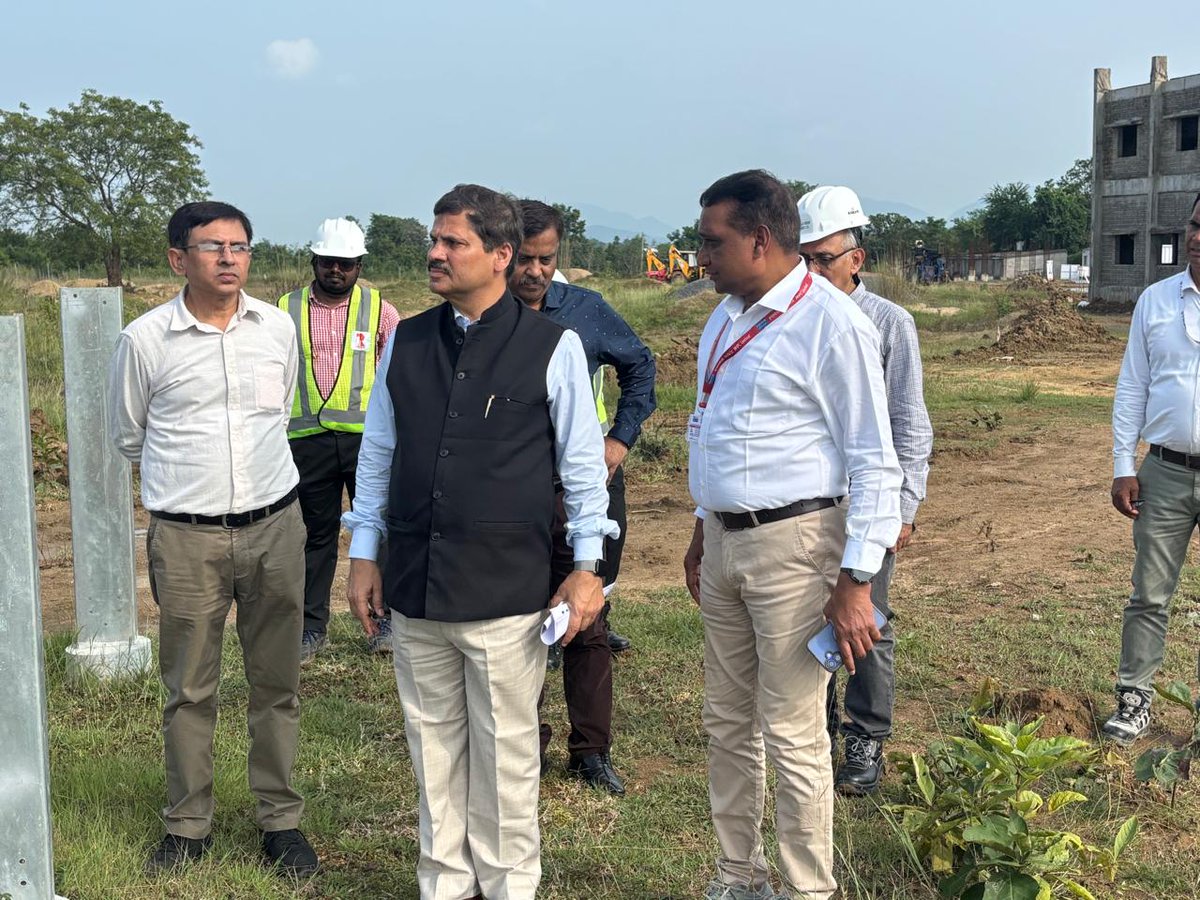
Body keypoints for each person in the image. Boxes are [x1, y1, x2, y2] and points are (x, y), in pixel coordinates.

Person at [342, 184, 616, 900]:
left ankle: (507, 887)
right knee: (434, 758)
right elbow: (379, 454)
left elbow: (585, 473)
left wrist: (588, 569)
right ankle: (444, 887)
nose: (434, 253)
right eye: (433, 240)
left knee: (506, 760)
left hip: (504, 594)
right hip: (417, 588)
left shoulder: (553, 347)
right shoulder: (408, 339)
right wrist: (364, 554)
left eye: (451, 242)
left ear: (499, 256)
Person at [682, 170, 901, 900]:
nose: (701, 256)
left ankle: (809, 888)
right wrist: (697, 526)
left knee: (794, 729)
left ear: (761, 239)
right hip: (723, 543)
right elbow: (705, 424)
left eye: (713, 243)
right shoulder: (724, 318)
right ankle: (739, 875)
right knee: (726, 720)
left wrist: (857, 580)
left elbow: (875, 459)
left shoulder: (832, 324)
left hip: (796, 548)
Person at [108, 201, 318, 878]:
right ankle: (188, 824)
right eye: (212, 247)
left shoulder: (277, 330)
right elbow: (128, 433)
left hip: (274, 528)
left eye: (240, 246)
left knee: (276, 683)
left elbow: (281, 411)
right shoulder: (145, 341)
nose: (230, 259)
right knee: (190, 688)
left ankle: (280, 821)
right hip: (188, 538)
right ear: (178, 259)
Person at [509, 199, 658, 796]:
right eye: (524, 259)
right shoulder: (484, 318)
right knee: (519, 621)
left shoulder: (586, 312)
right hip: (515, 496)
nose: (535, 271)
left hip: (585, 490)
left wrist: (620, 438)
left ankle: (591, 751)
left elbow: (641, 367)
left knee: (587, 618)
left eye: (546, 259)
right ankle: (527, 746)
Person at [797, 186, 933, 795]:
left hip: (866, 503)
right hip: (805, 503)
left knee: (865, 618)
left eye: (824, 258)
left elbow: (909, 420)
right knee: (807, 613)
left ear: (856, 257)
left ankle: (865, 735)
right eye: (804, 258)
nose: (813, 271)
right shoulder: (792, 318)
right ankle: (815, 726)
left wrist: (904, 506)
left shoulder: (887, 323)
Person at [278, 217, 400, 662]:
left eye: (346, 264)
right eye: (328, 262)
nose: (336, 271)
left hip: (366, 443)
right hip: (306, 441)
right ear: (314, 260)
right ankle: (311, 629)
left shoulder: (379, 309)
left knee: (378, 532)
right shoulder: (283, 309)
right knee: (314, 538)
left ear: (359, 265)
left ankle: (383, 622)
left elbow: (398, 370)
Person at [1105, 191, 1200, 746]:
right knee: (1149, 595)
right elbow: (1133, 385)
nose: (1196, 236)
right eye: (1193, 223)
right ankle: (1135, 697)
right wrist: (1124, 464)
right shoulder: (1157, 301)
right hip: (1163, 471)